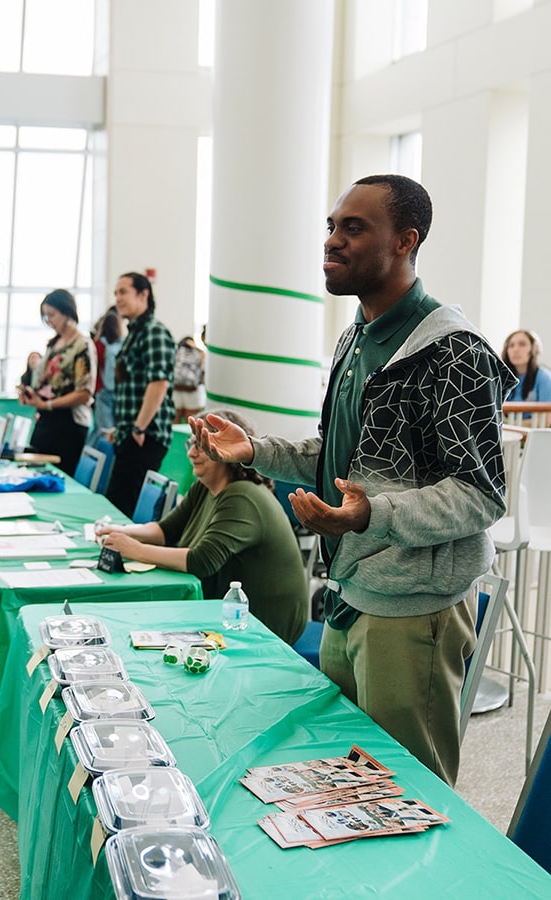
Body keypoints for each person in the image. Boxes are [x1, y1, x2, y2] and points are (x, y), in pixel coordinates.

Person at [190, 175, 516, 786]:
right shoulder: (354, 339)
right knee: (350, 785)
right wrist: (254, 450)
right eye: (332, 227)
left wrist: (370, 516)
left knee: (409, 794)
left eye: (355, 228)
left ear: (405, 241)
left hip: (412, 610)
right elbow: (336, 459)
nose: (333, 241)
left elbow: (480, 494)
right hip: (349, 592)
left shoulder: (455, 354)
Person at [97, 409, 307, 644]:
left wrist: (134, 550)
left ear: (225, 449)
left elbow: (201, 561)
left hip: (260, 626)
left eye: (200, 445)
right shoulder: (206, 485)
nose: (191, 452)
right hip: (225, 615)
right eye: (191, 443)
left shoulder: (243, 495)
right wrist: (120, 532)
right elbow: (165, 530)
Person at [106, 271, 176, 515]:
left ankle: (124, 553)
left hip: (145, 437)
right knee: (117, 502)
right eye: (116, 293)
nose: (118, 298)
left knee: (122, 507)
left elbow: (158, 383)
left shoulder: (153, 331)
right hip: (132, 434)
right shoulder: (134, 333)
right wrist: (125, 427)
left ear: (143, 294)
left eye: (123, 292)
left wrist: (138, 427)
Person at [17, 288, 95, 476]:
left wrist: (47, 404)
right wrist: (31, 395)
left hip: (69, 425)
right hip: (47, 420)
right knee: (35, 472)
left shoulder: (82, 345)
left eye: (52, 314)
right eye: (46, 316)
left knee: (59, 477)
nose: (49, 320)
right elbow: (46, 383)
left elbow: (84, 393)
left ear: (67, 311)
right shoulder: (53, 344)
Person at [86, 304, 124, 447]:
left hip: (100, 391)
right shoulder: (120, 345)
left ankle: (93, 460)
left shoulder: (97, 344)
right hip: (114, 392)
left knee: (100, 429)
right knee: (108, 431)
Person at [501, 329, 551, 402]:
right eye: (511, 345)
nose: (515, 349)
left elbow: (548, 411)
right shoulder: (501, 377)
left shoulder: (544, 377)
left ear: (534, 349)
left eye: (522, 344)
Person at [172, 335, 206, 423]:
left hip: (175, 389)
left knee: (175, 421)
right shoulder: (199, 352)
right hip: (192, 391)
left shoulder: (175, 350)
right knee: (192, 422)